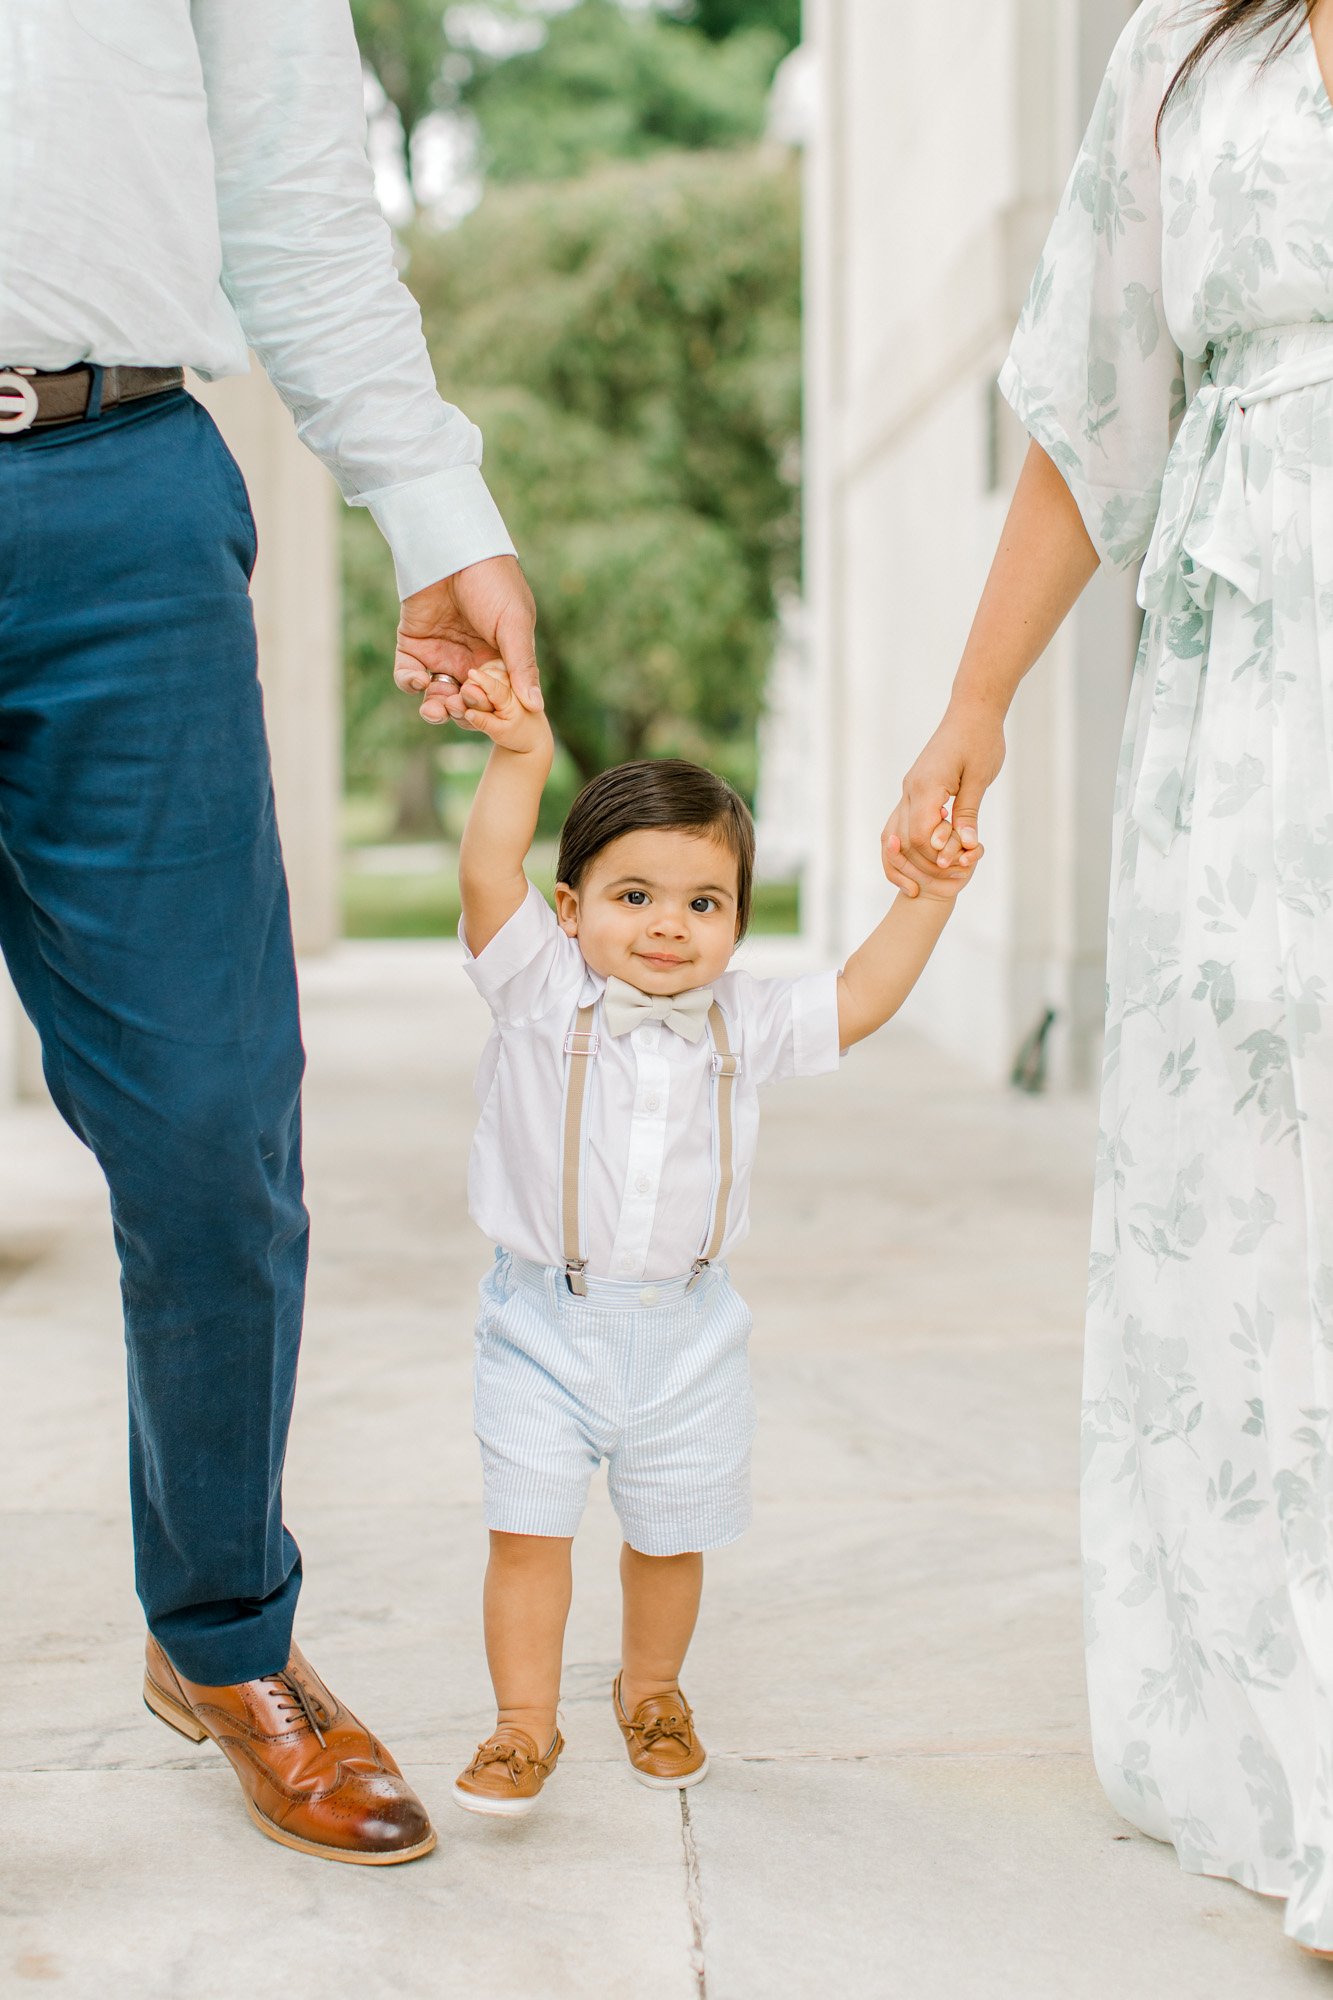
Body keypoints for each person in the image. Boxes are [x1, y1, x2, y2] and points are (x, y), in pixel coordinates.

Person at [0, 0, 539, 1865]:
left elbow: (300, 197)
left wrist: (427, 498)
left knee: (215, 1130)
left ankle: (222, 1634)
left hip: (114, 494)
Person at [883, 0, 1333, 1960]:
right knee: (1259, 1186)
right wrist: (971, 704)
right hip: (1248, 676)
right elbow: (1097, 400)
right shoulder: (1184, 56)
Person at [440, 662, 979, 1814]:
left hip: (688, 1331)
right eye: (632, 895)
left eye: (703, 902)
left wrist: (926, 895)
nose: (668, 927)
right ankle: (522, 1724)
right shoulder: (539, 988)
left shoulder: (748, 1019)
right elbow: (489, 864)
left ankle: (652, 1689)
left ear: (737, 915)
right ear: (571, 903)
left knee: (668, 1531)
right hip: (542, 1318)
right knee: (528, 1531)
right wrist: (523, 754)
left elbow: (863, 995)